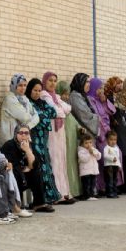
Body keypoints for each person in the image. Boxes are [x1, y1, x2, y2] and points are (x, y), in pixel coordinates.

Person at [1, 123, 54, 213]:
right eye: (21, 133)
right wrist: (24, 168)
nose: (24, 135)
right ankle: (16, 205)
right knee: (16, 173)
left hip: (25, 175)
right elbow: (11, 164)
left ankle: (38, 204)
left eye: (26, 133)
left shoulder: (31, 145)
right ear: (16, 134)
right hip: (13, 175)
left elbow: (34, 165)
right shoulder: (9, 145)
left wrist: (28, 151)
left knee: (36, 172)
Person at [41, 72, 75, 204]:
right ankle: (56, 194)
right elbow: (56, 111)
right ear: (45, 81)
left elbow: (68, 108)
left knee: (61, 160)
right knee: (54, 160)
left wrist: (60, 110)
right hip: (51, 133)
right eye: (50, 80)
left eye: (55, 81)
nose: (52, 83)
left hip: (59, 132)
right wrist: (60, 110)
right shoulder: (44, 95)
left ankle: (64, 192)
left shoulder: (56, 96)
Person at [26, 78, 62, 205]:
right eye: (34, 90)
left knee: (47, 167)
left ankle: (52, 196)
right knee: (40, 168)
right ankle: (42, 198)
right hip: (34, 141)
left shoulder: (41, 102)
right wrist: (42, 116)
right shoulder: (28, 103)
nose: (37, 93)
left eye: (39, 91)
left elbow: (53, 112)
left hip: (43, 141)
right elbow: (39, 118)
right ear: (29, 90)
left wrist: (42, 115)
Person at [87, 77, 117, 195]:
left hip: (108, 133)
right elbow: (96, 118)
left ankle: (112, 185)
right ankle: (102, 187)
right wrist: (103, 132)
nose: (101, 90)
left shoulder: (100, 100)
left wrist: (104, 100)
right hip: (100, 132)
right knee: (104, 158)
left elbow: (112, 111)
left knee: (114, 157)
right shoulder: (90, 100)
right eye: (99, 88)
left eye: (102, 88)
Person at [55, 80, 83, 198]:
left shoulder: (67, 109)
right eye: (64, 94)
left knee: (72, 165)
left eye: (68, 94)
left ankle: (75, 190)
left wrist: (80, 128)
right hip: (63, 141)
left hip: (71, 141)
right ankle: (68, 190)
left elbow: (75, 122)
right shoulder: (59, 107)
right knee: (66, 166)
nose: (66, 97)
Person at [0, 74, 39, 144]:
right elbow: (24, 117)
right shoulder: (9, 99)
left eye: (25, 85)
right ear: (14, 86)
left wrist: (28, 126)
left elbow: (37, 116)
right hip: (11, 139)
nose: (23, 88)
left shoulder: (24, 99)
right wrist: (31, 118)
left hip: (23, 138)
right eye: (20, 85)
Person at [69, 73, 99, 138]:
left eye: (89, 82)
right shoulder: (75, 97)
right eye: (87, 82)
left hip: (88, 135)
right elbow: (84, 115)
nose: (89, 85)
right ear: (80, 82)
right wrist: (98, 118)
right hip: (82, 136)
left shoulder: (83, 96)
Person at [77, 133, 101, 201]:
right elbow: (84, 159)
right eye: (86, 143)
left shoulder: (93, 149)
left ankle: (91, 194)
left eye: (90, 142)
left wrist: (94, 153)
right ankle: (86, 195)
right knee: (86, 184)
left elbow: (99, 157)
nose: (89, 145)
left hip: (93, 171)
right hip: (85, 171)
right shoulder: (81, 151)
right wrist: (89, 153)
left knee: (93, 183)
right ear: (82, 144)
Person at [102, 130, 121, 199]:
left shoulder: (116, 148)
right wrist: (112, 158)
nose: (113, 141)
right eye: (111, 139)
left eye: (115, 140)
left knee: (115, 179)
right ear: (107, 140)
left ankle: (114, 191)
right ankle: (109, 193)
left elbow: (118, 158)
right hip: (108, 166)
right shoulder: (106, 148)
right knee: (109, 180)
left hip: (115, 166)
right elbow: (105, 156)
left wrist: (119, 165)